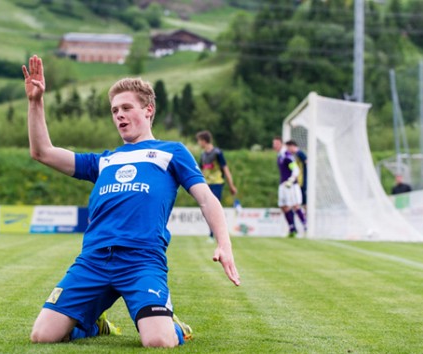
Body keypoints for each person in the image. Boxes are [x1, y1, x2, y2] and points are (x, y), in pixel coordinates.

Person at [23, 55, 240, 348]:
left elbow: (206, 199)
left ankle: (174, 325)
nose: (119, 115)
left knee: (158, 341)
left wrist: (223, 243)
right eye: (114, 110)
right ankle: (92, 324)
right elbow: (43, 152)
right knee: (42, 336)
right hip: (94, 260)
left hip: (141, 260)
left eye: (126, 108)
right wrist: (36, 102)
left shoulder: (171, 152)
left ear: (148, 110)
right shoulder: (104, 160)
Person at [195, 130, 238, 240]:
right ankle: (212, 234)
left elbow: (226, 169)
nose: (198, 143)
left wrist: (231, 185)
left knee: (214, 208)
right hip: (206, 184)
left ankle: (214, 234)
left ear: (204, 141)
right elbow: (200, 171)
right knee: (208, 209)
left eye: (199, 141)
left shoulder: (217, 153)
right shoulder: (203, 155)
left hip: (217, 183)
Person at [272, 137, 306, 238]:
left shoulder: (287, 155)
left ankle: (305, 226)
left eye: (277, 144)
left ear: (281, 144)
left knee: (295, 205)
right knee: (284, 206)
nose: (275, 146)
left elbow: (296, 170)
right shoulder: (280, 156)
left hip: (290, 185)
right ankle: (292, 228)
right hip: (282, 184)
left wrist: (290, 181)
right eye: (274, 144)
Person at [285, 140, 307, 210]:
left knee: (302, 195)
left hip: (302, 178)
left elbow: (306, 161)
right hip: (299, 178)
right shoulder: (295, 155)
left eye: (288, 148)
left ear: (292, 146)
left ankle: (305, 211)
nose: (288, 150)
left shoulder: (299, 153)